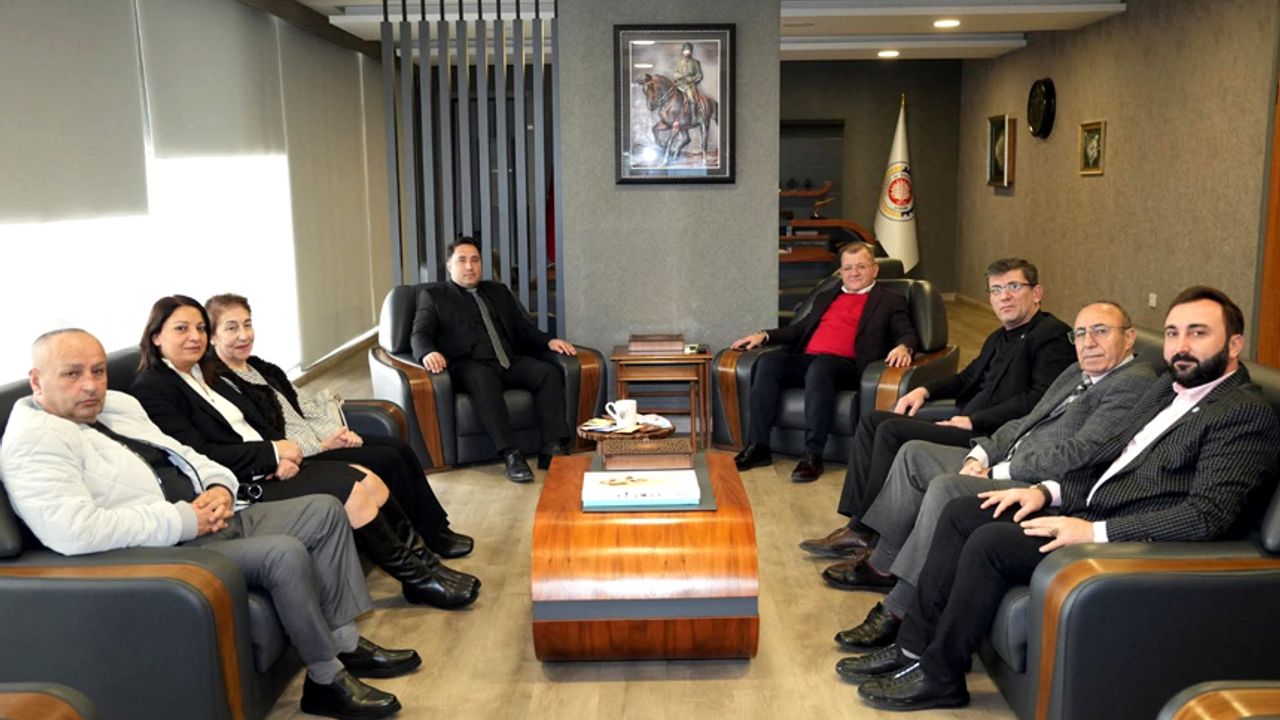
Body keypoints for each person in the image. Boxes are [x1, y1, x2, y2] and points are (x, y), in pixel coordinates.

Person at [842, 286, 1280, 712]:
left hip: (1130, 540)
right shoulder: (1167, 388)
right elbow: (1109, 462)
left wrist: (1094, 532)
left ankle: (941, 675)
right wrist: (1044, 491)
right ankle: (912, 647)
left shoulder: (1243, 412)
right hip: (1085, 507)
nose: (1181, 346)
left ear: (1234, 344)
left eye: (1198, 333)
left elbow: (1206, 516)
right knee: (962, 512)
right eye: (1172, 333)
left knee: (990, 542)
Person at [0, 329, 417, 719]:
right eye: (72, 374)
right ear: (37, 381)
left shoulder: (118, 407)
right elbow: (74, 531)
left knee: (324, 511)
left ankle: (344, 643)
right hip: (165, 547)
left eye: (98, 371)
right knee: (283, 553)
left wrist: (219, 486)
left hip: (211, 514)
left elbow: (185, 452)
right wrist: (184, 519)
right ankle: (326, 680)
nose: (91, 385)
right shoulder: (34, 441)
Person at [828, 301, 1153, 652]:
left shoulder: (1133, 382)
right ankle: (882, 567)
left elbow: (1079, 453)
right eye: (1081, 333)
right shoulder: (1076, 371)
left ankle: (899, 610)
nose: (1088, 342)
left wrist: (997, 471)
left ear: (1129, 337)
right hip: (1005, 460)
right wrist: (979, 454)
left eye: (1101, 331)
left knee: (948, 487)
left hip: (1035, 486)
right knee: (913, 455)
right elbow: (1025, 422)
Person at [131, 296, 478, 609]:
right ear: (156, 336)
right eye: (181, 329)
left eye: (199, 328)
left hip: (269, 463)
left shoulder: (200, 373)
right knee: (356, 490)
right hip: (242, 483)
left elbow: (256, 422)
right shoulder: (155, 387)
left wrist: (281, 454)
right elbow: (197, 453)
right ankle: (419, 579)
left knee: (370, 480)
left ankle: (424, 570)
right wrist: (272, 455)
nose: (194, 336)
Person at [803, 258, 1075, 582]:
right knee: (874, 421)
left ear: (1037, 293)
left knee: (890, 431)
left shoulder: (1051, 335)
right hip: (966, 421)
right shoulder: (999, 336)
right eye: (996, 289)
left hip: (991, 436)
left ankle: (865, 531)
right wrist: (924, 390)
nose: (1004, 296)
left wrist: (974, 421)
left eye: (1014, 287)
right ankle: (859, 526)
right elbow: (966, 378)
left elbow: (1040, 400)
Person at [205, 292, 474, 560]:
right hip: (300, 458)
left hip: (322, 442)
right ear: (213, 336)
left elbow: (307, 408)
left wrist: (337, 433)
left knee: (399, 448)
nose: (244, 335)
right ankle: (425, 540)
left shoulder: (261, 368)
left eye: (247, 324)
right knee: (387, 459)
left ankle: (436, 529)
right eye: (231, 328)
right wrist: (323, 446)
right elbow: (266, 440)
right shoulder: (221, 385)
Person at [731, 242, 918, 481]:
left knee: (821, 367)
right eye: (848, 268)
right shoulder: (826, 295)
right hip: (810, 360)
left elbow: (906, 332)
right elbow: (799, 329)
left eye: (861, 267)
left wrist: (904, 346)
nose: (854, 273)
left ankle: (813, 455)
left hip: (847, 366)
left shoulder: (890, 299)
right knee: (768, 362)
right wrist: (764, 335)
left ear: (875, 270)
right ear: (840, 272)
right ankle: (758, 447)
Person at [410, 237, 578, 483]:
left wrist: (548, 341)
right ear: (449, 265)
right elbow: (419, 334)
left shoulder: (498, 291)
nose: (470, 266)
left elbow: (523, 330)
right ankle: (511, 454)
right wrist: (427, 353)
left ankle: (552, 448)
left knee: (546, 372)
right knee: (482, 379)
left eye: (475, 260)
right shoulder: (434, 295)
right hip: (470, 365)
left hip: (508, 361)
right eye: (462, 260)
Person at [673, 41, 704, 123]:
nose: (686, 52)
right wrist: (680, 75)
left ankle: (693, 117)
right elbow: (675, 73)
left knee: (692, 100)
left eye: (688, 51)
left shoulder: (695, 62)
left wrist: (692, 79)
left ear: (691, 52)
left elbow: (699, 75)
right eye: (685, 51)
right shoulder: (679, 62)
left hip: (689, 86)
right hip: (679, 84)